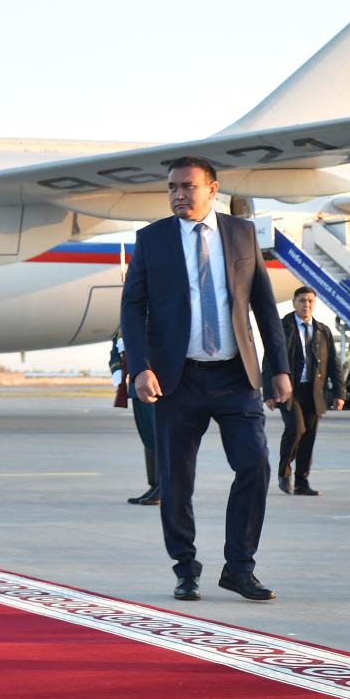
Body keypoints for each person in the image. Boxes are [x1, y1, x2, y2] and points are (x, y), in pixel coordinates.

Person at [120, 155, 291, 603]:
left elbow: (263, 306)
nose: (178, 194)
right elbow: (132, 309)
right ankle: (185, 567)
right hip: (177, 380)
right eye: (172, 187)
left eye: (187, 187)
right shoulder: (152, 239)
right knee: (176, 481)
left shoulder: (241, 233)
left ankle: (239, 567)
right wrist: (140, 367)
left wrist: (280, 369)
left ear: (213, 190)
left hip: (236, 377)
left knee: (254, 466)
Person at [262, 286, 344, 497]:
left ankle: (302, 482)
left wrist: (339, 393)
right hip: (290, 391)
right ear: (294, 302)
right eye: (302, 301)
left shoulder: (322, 330)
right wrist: (269, 392)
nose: (306, 305)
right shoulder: (282, 327)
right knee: (296, 429)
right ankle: (284, 473)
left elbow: (334, 364)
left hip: (314, 391)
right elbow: (269, 360)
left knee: (309, 437)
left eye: (310, 301)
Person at [109, 330, 159, 505]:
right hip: (135, 388)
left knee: (158, 437)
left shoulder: (157, 316)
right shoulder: (125, 324)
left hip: (154, 386)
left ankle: (163, 487)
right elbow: (115, 350)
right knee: (148, 437)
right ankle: (154, 485)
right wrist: (118, 374)